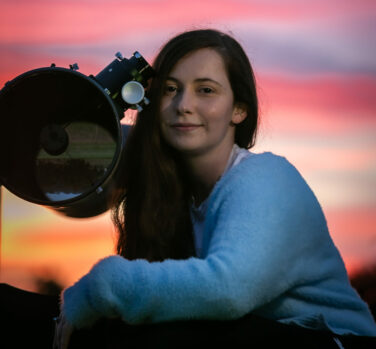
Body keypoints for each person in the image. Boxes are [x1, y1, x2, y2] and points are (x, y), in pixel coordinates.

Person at [1, 29, 376, 348]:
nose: (184, 105)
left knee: (155, 331)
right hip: (247, 335)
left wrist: (100, 288)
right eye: (170, 89)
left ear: (239, 110)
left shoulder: (266, 177)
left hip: (329, 340)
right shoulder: (169, 186)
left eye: (206, 90)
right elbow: (73, 183)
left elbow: (228, 291)